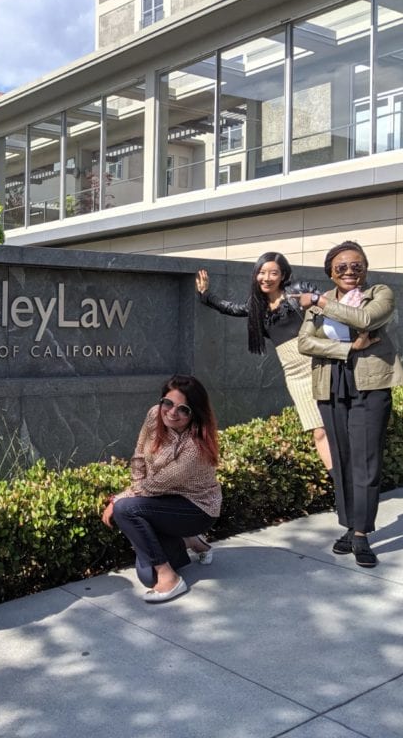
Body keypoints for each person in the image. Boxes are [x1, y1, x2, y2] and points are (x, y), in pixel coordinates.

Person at [296, 241, 403, 568]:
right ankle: (349, 524)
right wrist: (350, 348)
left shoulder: (380, 293)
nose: (349, 272)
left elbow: (366, 318)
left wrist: (319, 302)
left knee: (366, 460)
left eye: (356, 266)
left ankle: (361, 534)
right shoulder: (319, 303)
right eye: (341, 267)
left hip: (369, 386)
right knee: (342, 459)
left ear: (366, 269)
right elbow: (304, 342)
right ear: (331, 271)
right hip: (330, 383)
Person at [196, 253, 331, 472]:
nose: (266, 278)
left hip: (321, 363)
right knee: (319, 431)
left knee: (337, 426)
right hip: (295, 375)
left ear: (283, 275)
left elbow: (329, 304)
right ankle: (339, 484)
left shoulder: (297, 291)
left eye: (273, 273)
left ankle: (351, 482)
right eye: (261, 272)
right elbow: (232, 308)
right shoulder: (257, 306)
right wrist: (206, 295)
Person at [102, 374, 220, 603]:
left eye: (183, 409)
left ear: (194, 413)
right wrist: (132, 491)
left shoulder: (194, 447)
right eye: (168, 403)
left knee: (125, 510)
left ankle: (170, 577)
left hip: (195, 509)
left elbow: (158, 484)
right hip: (161, 502)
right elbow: (139, 455)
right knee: (147, 575)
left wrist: (119, 500)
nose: (172, 413)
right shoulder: (155, 414)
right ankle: (191, 542)